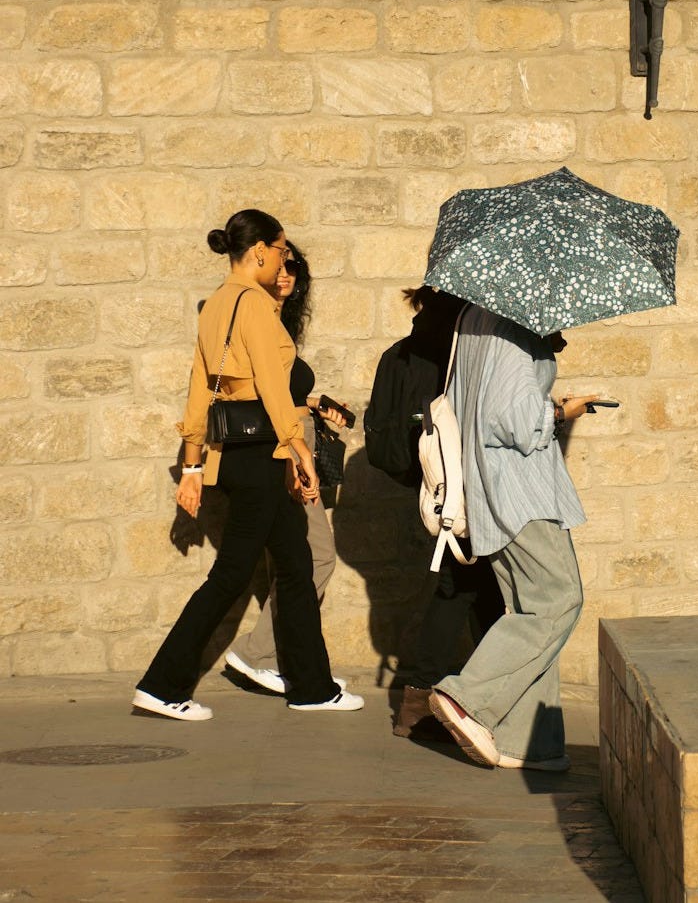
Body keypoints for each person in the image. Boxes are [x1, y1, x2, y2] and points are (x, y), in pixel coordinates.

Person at [133, 209, 364, 720]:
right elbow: (272, 386)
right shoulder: (254, 305)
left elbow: (199, 389)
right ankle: (161, 685)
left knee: (297, 565)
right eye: (281, 251)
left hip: (237, 456)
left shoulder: (216, 304)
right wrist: (298, 449)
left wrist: (192, 466)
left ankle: (312, 687)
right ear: (259, 251)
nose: (283, 260)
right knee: (232, 574)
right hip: (263, 457)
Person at [427, 304, 597, 770]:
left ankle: (529, 741)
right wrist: (561, 411)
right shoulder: (513, 328)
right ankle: (466, 698)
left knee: (531, 609)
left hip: (490, 487)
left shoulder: (474, 317)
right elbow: (513, 419)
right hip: (520, 491)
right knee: (559, 600)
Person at [363, 286, 503, 741]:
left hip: (435, 485)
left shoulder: (406, 349)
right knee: (462, 587)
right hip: (470, 484)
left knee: (478, 590)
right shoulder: (461, 344)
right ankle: (423, 698)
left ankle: (479, 698)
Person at [222, 241, 350, 696]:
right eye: (281, 262)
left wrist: (313, 404)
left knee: (295, 560)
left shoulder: (276, 322)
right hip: (285, 447)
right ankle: (257, 654)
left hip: (294, 437)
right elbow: (254, 390)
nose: (286, 272)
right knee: (317, 556)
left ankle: (292, 665)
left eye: (294, 265)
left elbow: (277, 388)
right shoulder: (254, 316)